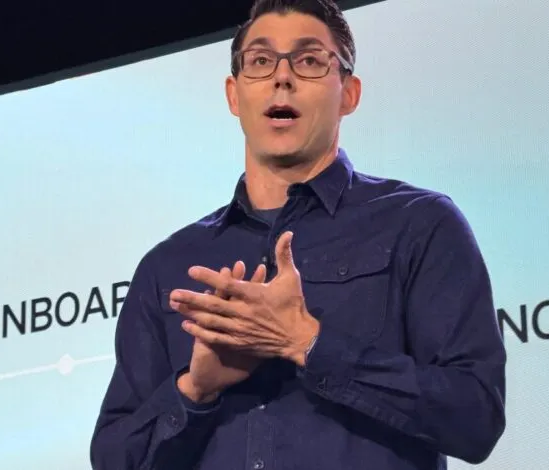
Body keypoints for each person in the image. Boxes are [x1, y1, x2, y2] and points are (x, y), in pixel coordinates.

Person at [89, 0, 507, 468]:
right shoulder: (169, 265)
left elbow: (475, 416)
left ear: (348, 93)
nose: (281, 78)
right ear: (233, 94)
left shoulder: (419, 223)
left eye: (309, 61)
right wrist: (196, 389)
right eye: (261, 61)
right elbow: (114, 459)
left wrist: (307, 342)